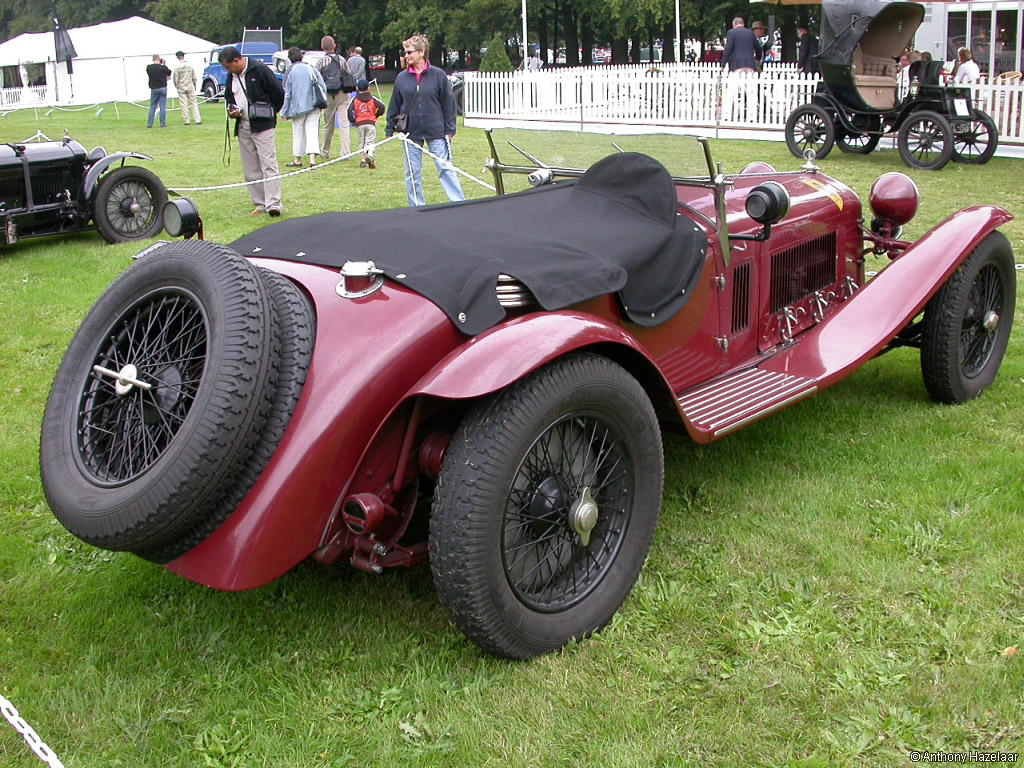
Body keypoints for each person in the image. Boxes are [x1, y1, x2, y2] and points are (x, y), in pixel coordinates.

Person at [386, 35, 464, 207]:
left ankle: (458, 204)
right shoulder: (402, 78)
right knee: (412, 173)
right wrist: (389, 128)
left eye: (409, 52)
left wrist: (450, 130)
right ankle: (417, 206)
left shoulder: (438, 75)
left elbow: (448, 104)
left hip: (436, 131)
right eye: (405, 52)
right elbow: (395, 104)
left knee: (445, 168)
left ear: (421, 52)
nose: (406, 56)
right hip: (410, 133)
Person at [220, 45, 286, 217]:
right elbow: (229, 96)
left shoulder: (260, 70)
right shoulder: (231, 76)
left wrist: (268, 113)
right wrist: (232, 109)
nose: (227, 70)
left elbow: (278, 94)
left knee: (269, 164)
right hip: (243, 125)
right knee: (250, 168)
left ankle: (274, 204)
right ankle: (260, 204)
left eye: (228, 67)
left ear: (236, 61)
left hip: (263, 125)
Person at [281, 47, 326, 169]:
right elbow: (322, 86)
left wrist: (284, 111)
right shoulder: (311, 68)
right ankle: (312, 160)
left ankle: (298, 159)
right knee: (312, 131)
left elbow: (287, 93)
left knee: (298, 131)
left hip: (297, 107)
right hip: (314, 104)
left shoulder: (290, 71)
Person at [316, 36, 352, 160]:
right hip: (343, 94)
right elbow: (348, 74)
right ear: (334, 46)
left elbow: (317, 79)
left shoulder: (321, 62)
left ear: (322, 47)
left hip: (328, 95)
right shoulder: (342, 60)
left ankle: (325, 151)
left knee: (328, 125)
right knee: (344, 124)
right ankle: (346, 153)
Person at [347, 78, 385, 169]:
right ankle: (370, 155)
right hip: (370, 122)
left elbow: (349, 110)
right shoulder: (372, 98)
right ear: (368, 88)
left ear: (357, 88)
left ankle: (363, 159)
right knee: (370, 140)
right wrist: (376, 115)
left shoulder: (355, 100)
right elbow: (382, 106)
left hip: (360, 123)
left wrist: (353, 120)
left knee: (362, 142)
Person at [172, 51, 201, 126]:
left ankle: (187, 120)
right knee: (194, 103)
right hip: (190, 84)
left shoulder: (176, 67)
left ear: (177, 57)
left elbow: (175, 78)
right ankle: (197, 119)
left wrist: (177, 85)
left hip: (181, 85)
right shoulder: (190, 65)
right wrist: (194, 84)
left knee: (184, 104)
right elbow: (194, 76)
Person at [146, 54, 171, 128]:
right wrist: (163, 64)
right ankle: (162, 123)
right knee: (162, 107)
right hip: (162, 88)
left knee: (153, 106)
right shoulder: (163, 68)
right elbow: (169, 72)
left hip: (154, 88)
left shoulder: (149, 68)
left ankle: (150, 123)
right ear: (159, 59)